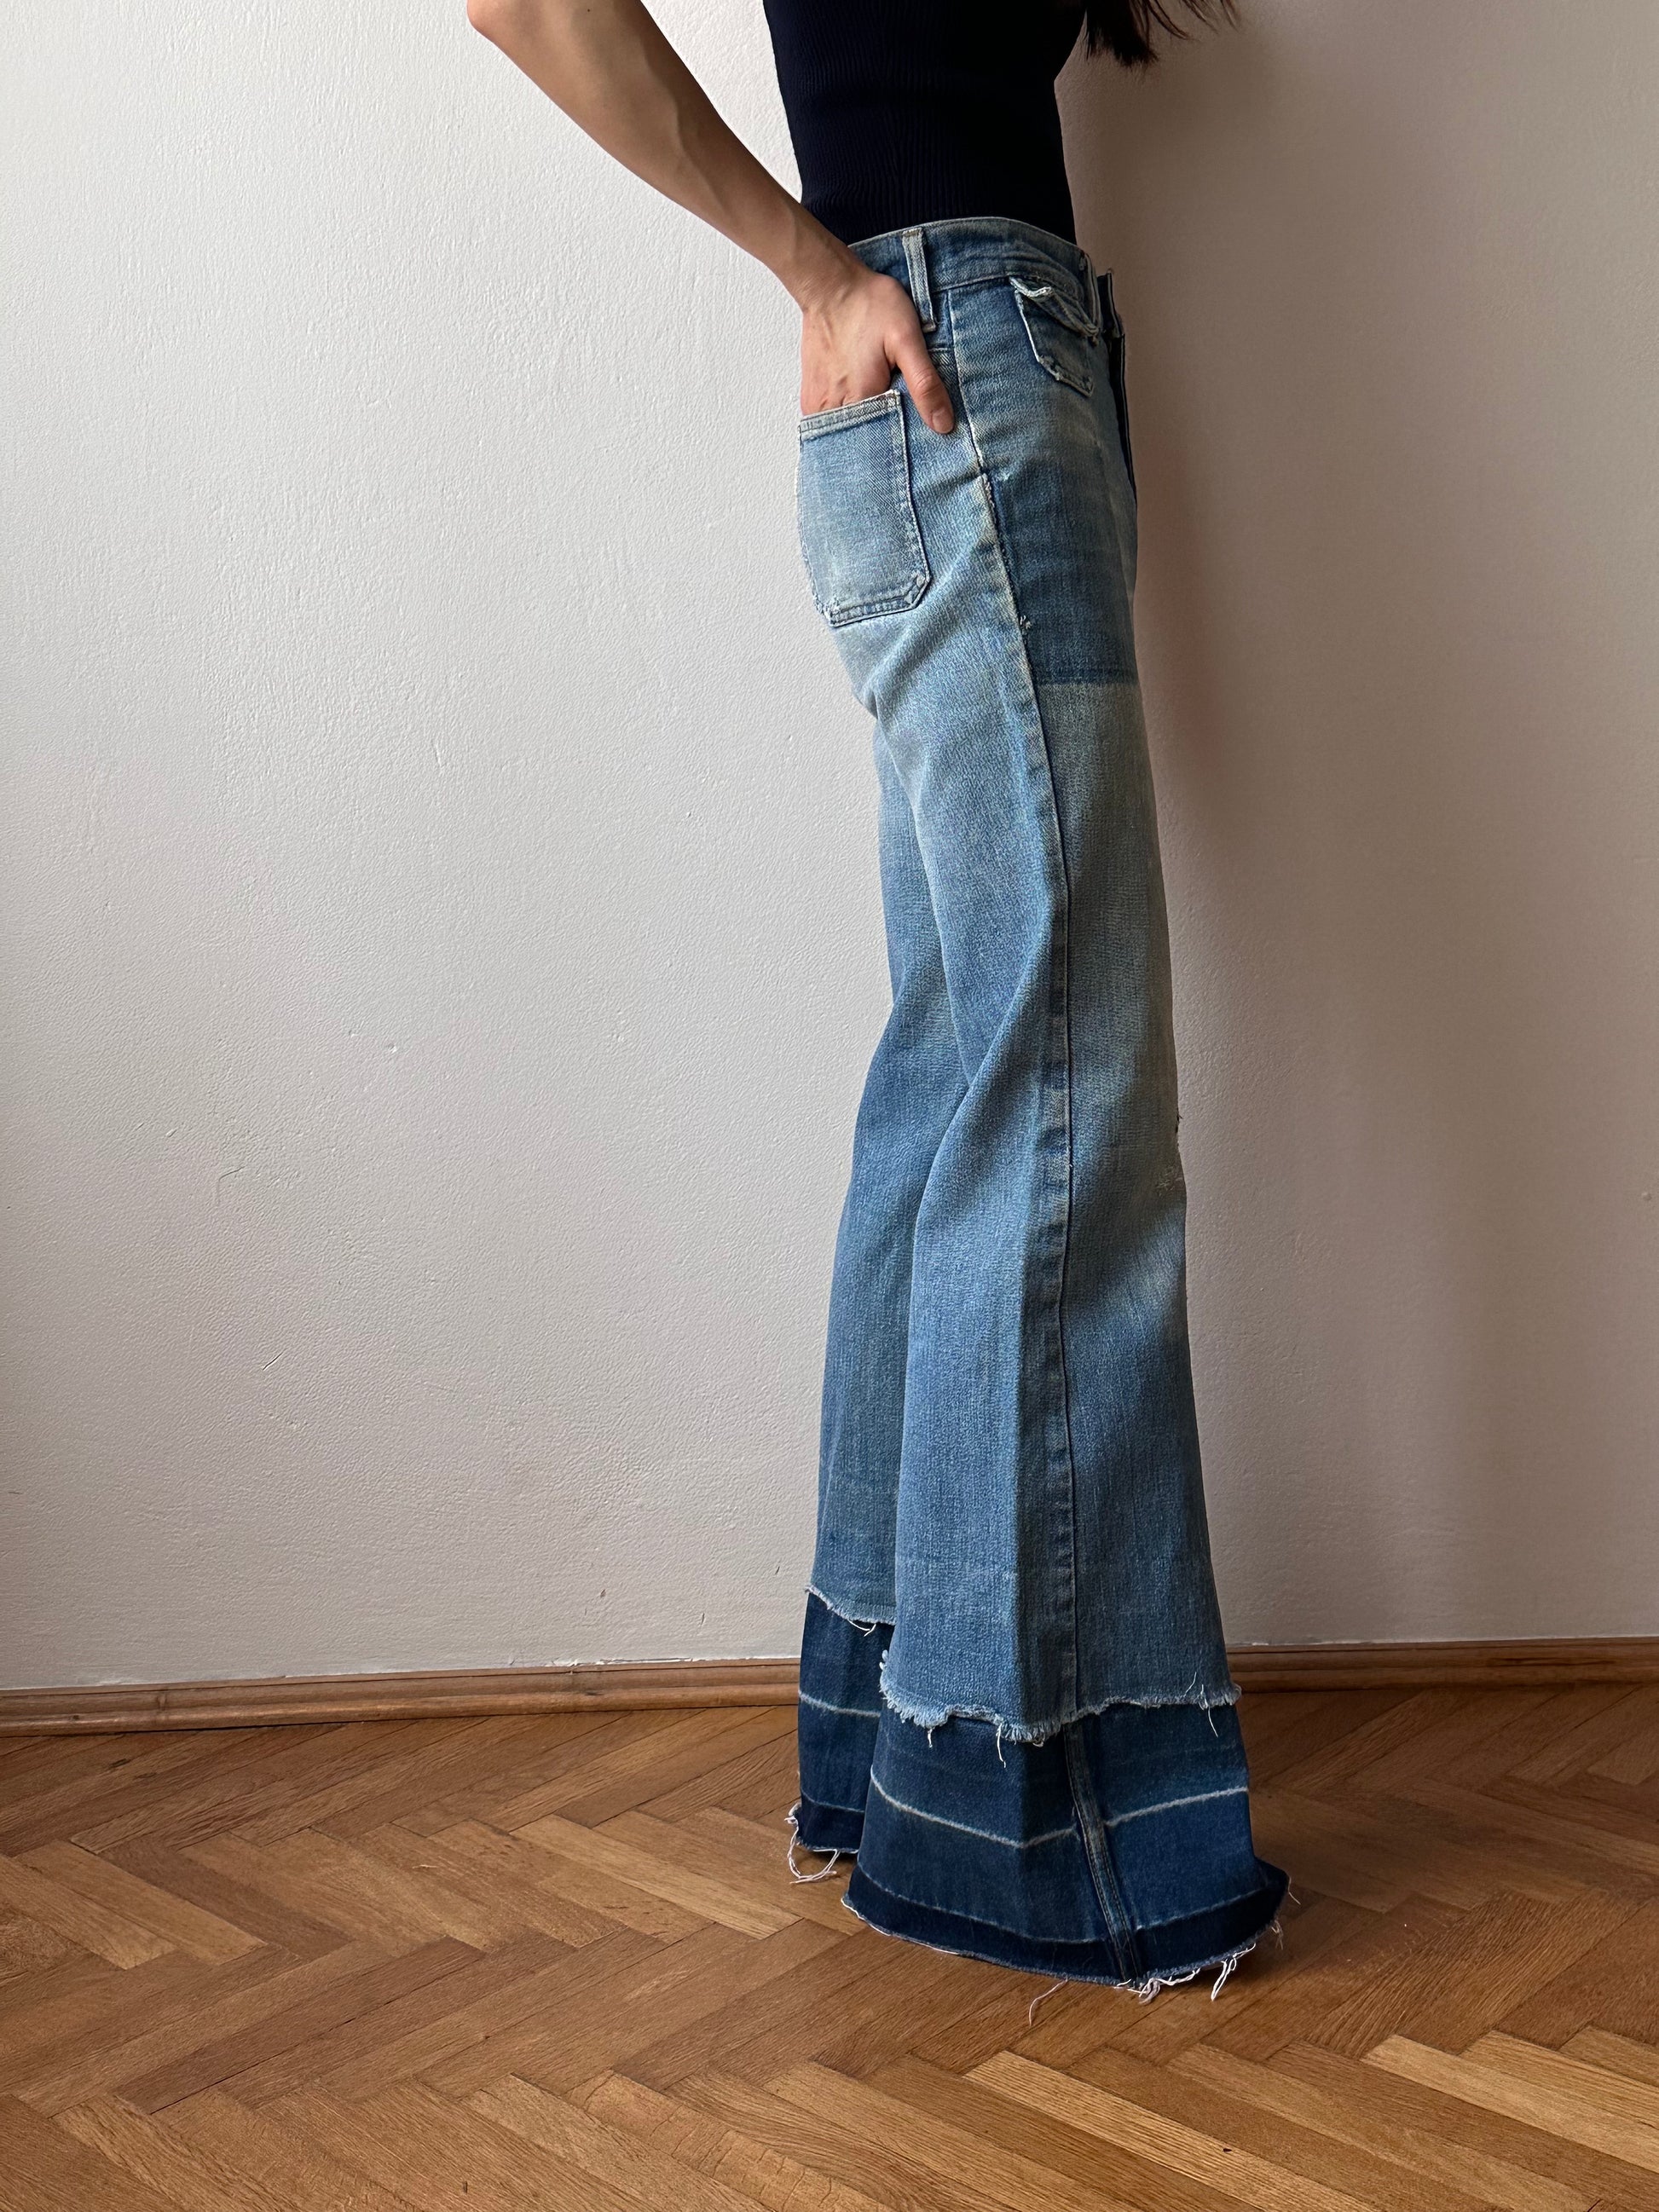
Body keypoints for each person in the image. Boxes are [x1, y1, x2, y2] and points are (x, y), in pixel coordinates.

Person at [468, 0, 1291, 1997]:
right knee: (1062, 1092)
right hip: (955, 360)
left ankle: (905, 1756)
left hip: (986, 367)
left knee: (966, 1085)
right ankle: (1047, 1827)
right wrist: (812, 269)